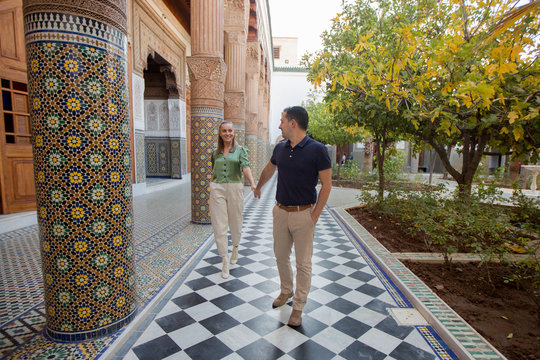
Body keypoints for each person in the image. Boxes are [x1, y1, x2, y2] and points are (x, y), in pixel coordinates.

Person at [254, 106, 332, 327]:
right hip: (280, 211)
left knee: (303, 263)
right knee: (280, 255)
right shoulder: (280, 148)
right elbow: (269, 170)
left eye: (282, 121)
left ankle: (298, 306)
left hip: (303, 214)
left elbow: (327, 185)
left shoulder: (318, 150)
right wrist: (259, 186)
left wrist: (314, 215)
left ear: (293, 123)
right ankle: (286, 291)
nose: (279, 125)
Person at [210, 121, 256, 279]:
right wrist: (212, 185)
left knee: (236, 221)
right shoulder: (215, 152)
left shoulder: (241, 150)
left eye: (230, 130)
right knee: (219, 225)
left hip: (235, 187)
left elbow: (245, 167)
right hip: (217, 189)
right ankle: (224, 259)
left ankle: (235, 247)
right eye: (224, 131)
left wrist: (252, 183)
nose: (227, 133)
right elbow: (213, 171)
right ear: (220, 133)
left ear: (234, 133)